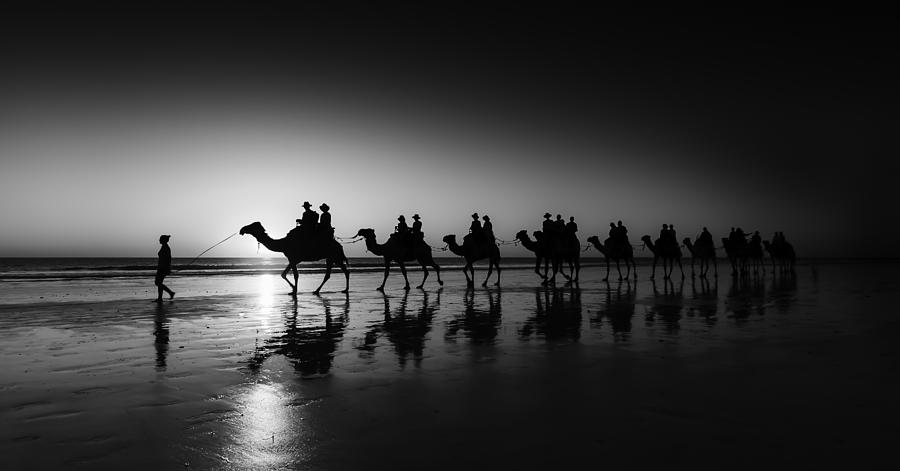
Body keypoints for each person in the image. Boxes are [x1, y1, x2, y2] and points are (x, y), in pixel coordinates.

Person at [155, 235, 175, 302]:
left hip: (163, 268)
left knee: (158, 282)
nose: (159, 240)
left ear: (163, 240)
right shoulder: (164, 247)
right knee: (159, 282)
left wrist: (168, 268)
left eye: (160, 239)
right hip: (161, 267)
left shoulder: (166, 247)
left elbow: (168, 259)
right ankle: (160, 298)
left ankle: (170, 293)